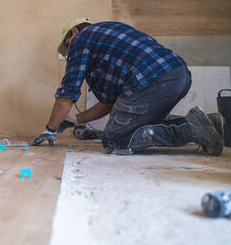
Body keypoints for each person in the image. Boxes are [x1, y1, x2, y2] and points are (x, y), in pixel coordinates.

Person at [31, 18, 224, 156]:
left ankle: (191, 130)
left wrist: (50, 129)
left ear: (73, 33)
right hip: (177, 74)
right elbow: (108, 103)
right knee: (141, 126)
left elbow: (67, 94)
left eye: (67, 47)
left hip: (151, 80)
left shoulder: (81, 40)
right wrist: (75, 119)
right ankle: (207, 123)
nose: (69, 55)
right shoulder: (108, 34)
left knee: (115, 140)